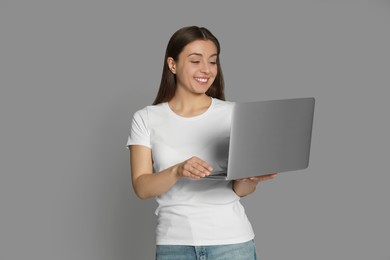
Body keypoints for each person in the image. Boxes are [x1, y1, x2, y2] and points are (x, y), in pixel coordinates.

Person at [127, 26, 277, 260]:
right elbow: (142, 187)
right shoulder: (146, 118)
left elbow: (240, 190)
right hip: (174, 245)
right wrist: (178, 170)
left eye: (213, 61)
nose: (206, 70)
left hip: (232, 244)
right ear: (172, 64)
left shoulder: (234, 114)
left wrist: (250, 180)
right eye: (195, 61)